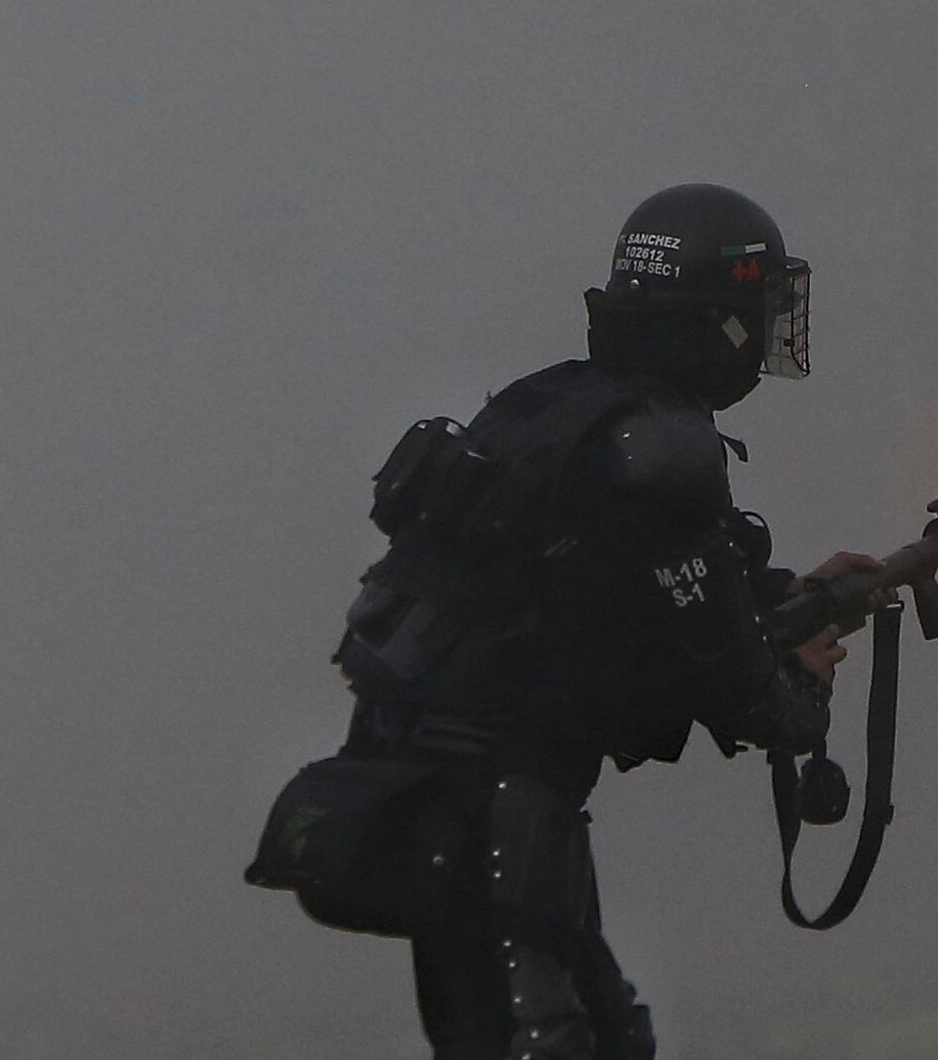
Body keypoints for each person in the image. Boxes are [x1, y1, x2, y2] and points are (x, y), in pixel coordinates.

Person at [249, 184, 878, 1060]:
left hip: (432, 781)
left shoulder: (553, 405)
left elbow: (612, 591)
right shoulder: (662, 450)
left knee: (589, 1037)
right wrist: (803, 679)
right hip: (499, 806)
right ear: (716, 317)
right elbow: (740, 693)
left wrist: (785, 594)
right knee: (545, 1044)